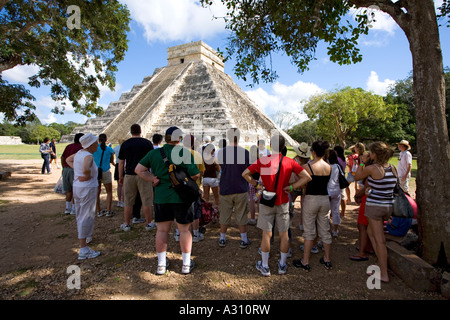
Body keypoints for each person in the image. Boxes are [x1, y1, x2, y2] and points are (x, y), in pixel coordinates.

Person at [243, 135, 311, 276]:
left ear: (270, 145)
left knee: (266, 234)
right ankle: (282, 264)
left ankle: (265, 266)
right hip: (283, 200)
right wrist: (292, 188)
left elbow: (245, 174)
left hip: (267, 199)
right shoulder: (289, 162)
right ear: (283, 146)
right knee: (284, 234)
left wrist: (257, 185)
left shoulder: (263, 160)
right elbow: (307, 177)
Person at [135, 126, 200, 275]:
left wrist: (153, 178)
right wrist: (182, 179)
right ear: (180, 139)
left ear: (166, 138)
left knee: (162, 230)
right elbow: (195, 174)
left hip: (161, 196)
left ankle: (161, 265)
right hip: (182, 197)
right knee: (184, 230)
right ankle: (185, 264)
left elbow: (139, 170)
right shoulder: (184, 153)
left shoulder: (154, 153)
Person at [354, 141, 397, 283]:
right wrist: (370, 190)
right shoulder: (392, 168)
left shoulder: (373, 168)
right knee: (371, 233)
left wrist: (362, 162)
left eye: (370, 152)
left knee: (379, 240)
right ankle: (380, 263)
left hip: (375, 207)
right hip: (387, 205)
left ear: (374, 154)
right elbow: (387, 186)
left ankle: (383, 273)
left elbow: (357, 176)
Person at [293, 140, 332, 272]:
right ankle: (327, 258)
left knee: (309, 231)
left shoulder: (308, 167)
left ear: (313, 152)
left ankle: (305, 260)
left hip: (311, 199)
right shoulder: (328, 167)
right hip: (325, 199)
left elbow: (302, 183)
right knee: (324, 230)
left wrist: (291, 187)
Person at [66, 133, 101, 260]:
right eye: (96, 143)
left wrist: (78, 171)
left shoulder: (80, 153)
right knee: (86, 215)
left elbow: (68, 160)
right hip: (87, 188)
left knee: (80, 213)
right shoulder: (88, 156)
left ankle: (85, 238)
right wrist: (86, 174)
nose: (98, 144)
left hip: (78, 187)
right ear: (91, 144)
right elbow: (86, 169)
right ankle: (83, 248)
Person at [216, 128, 252, 249]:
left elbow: (218, 166)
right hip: (241, 187)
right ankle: (243, 239)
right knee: (241, 214)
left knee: (224, 214)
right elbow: (249, 170)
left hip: (226, 187)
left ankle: (222, 238)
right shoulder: (246, 153)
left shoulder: (221, 152)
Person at [118, 124, 156, 232]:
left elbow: (121, 162)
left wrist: (121, 176)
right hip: (144, 174)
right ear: (140, 131)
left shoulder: (125, 144)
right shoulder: (147, 143)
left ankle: (126, 224)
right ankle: (149, 223)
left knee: (128, 201)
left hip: (129, 174)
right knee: (147, 200)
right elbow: (152, 160)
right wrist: (152, 175)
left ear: (131, 131)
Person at [60, 133, 84, 214]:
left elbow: (62, 157)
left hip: (66, 169)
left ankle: (67, 208)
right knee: (75, 190)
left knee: (68, 190)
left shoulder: (68, 146)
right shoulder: (80, 148)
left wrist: (63, 167)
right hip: (74, 170)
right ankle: (74, 208)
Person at [93, 133, 116, 217]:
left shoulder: (95, 149)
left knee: (97, 191)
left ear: (98, 140)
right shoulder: (109, 149)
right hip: (105, 171)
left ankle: (98, 211)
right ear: (106, 140)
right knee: (109, 192)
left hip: (96, 171)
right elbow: (111, 159)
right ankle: (108, 210)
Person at [327, 150, 342, 237]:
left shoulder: (326, 166)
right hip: (336, 190)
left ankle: (326, 229)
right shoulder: (337, 166)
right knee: (335, 210)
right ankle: (335, 230)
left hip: (328, 190)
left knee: (326, 212)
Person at [202, 143, 220, 211]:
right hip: (213, 179)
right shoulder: (214, 159)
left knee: (206, 198)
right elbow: (218, 169)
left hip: (205, 179)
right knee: (216, 197)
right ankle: (217, 211)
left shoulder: (203, 159)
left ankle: (207, 212)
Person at [247, 145, 260, 226]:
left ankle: (252, 218)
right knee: (258, 200)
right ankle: (259, 217)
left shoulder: (249, 161)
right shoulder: (260, 160)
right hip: (259, 182)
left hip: (251, 181)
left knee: (252, 200)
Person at [334, 145, 347, 217]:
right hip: (342, 178)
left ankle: (334, 212)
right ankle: (343, 212)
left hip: (337, 178)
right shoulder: (343, 159)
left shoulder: (337, 159)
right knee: (343, 196)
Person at [113, 139, 124, 208]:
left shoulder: (115, 148)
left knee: (119, 185)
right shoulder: (125, 147)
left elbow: (112, 155)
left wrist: (113, 163)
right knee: (123, 185)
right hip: (123, 165)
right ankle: (123, 200)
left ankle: (119, 200)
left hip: (117, 165)